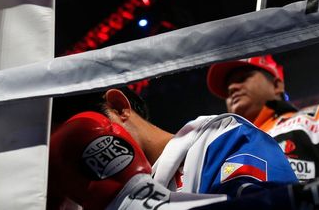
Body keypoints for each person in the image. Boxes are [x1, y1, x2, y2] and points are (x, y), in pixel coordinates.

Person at [49, 87, 298, 209]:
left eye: (80, 140)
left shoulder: (218, 136)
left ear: (118, 107)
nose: (79, 162)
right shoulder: (86, 199)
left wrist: (131, 198)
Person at [206, 55, 319, 181]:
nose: (233, 88)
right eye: (228, 88)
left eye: (243, 78)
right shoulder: (220, 147)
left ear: (277, 85)